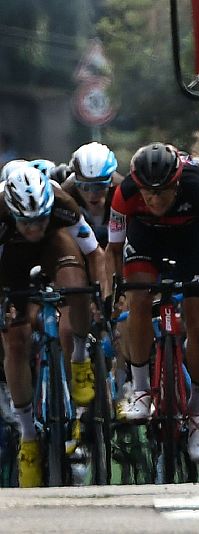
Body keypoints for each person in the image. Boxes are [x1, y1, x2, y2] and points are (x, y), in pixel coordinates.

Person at [109, 143, 199, 464]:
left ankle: (197, 411)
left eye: (162, 192)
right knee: (137, 300)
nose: (154, 199)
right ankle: (140, 389)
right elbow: (113, 250)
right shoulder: (125, 193)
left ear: (177, 184)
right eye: (148, 193)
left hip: (191, 240)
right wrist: (113, 292)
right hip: (145, 239)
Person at [2, 166, 105, 487]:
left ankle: (79, 358)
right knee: (15, 340)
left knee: (76, 287)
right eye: (27, 222)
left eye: (40, 220)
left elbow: (95, 254)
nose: (34, 228)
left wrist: (100, 296)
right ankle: (28, 438)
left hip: (55, 244)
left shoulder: (63, 205)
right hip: (10, 258)